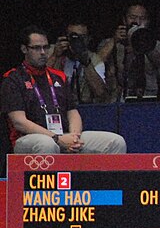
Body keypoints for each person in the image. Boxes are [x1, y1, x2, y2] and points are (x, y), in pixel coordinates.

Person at [1, 25, 126, 158]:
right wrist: (56, 138)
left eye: (46, 47)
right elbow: (19, 122)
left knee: (115, 142)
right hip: (29, 138)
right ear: (24, 49)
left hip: (63, 134)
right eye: (37, 48)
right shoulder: (13, 78)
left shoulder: (59, 76)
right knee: (47, 144)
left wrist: (74, 137)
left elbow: (72, 112)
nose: (43, 52)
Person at [97, 3, 160, 101]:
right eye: (132, 17)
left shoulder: (154, 44)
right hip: (116, 98)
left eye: (142, 18)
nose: (137, 22)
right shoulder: (110, 43)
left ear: (148, 21)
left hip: (148, 98)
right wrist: (114, 40)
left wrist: (144, 43)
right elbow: (96, 63)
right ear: (124, 20)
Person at [48, 20, 110, 104]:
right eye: (73, 37)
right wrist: (55, 56)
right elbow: (39, 81)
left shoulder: (95, 60)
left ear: (88, 39)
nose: (77, 41)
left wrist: (86, 62)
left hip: (85, 107)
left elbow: (100, 93)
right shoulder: (54, 53)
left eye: (81, 37)